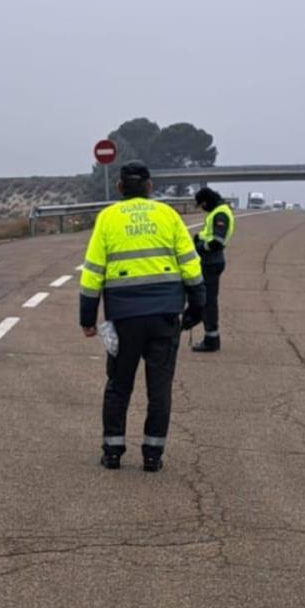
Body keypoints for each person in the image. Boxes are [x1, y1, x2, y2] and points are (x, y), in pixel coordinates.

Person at [79, 161, 205, 472]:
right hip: (164, 317)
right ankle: (152, 455)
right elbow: (190, 264)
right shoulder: (168, 215)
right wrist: (197, 306)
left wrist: (87, 316)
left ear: (120, 187)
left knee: (119, 385)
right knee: (159, 389)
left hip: (124, 320)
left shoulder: (108, 218)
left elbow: (93, 271)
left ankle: (112, 452)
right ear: (150, 187)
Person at [190, 187, 234, 353]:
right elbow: (210, 235)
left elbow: (217, 242)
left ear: (207, 201)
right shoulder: (217, 211)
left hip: (211, 262)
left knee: (208, 301)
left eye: (202, 204)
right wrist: (200, 237)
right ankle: (210, 336)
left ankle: (211, 339)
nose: (202, 207)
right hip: (210, 262)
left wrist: (201, 246)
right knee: (206, 299)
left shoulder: (220, 214)